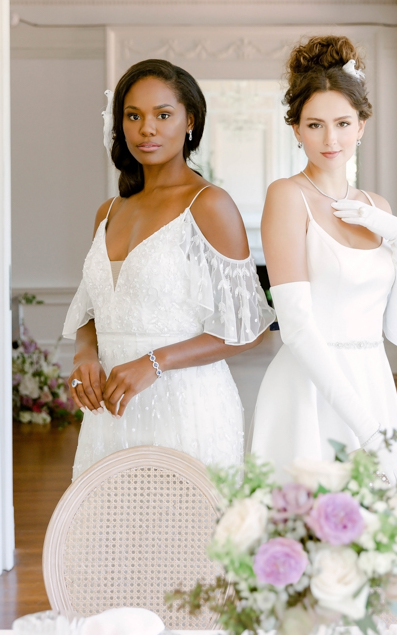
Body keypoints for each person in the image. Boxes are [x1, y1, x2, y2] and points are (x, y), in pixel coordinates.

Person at [64, 59, 274, 480]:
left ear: (189, 121)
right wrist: (85, 354)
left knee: (188, 541)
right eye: (134, 116)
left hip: (188, 408)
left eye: (163, 115)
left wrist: (154, 362)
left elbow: (247, 329)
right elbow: (94, 309)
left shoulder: (210, 205)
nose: (148, 129)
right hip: (110, 413)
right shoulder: (108, 212)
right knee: (111, 541)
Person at [250, 36, 397, 492]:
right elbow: (298, 330)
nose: (331, 139)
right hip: (309, 390)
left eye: (343, 123)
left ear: (362, 125)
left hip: (373, 385)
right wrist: (371, 435)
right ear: (296, 129)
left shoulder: (376, 205)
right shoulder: (286, 197)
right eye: (315, 125)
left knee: (375, 541)